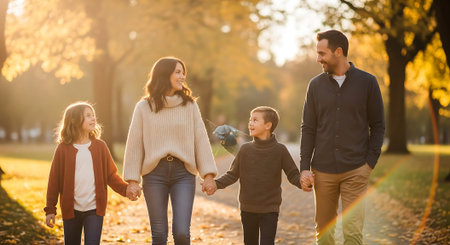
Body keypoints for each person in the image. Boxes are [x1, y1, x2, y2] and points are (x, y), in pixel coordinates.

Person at [299, 30, 385, 245]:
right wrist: (304, 166)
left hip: (356, 170)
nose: (318, 59)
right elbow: (308, 128)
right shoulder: (315, 85)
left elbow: (378, 125)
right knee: (325, 234)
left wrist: (369, 163)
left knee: (353, 233)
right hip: (323, 171)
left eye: (322, 53)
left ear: (338, 52)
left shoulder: (368, 83)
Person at [123, 56, 218, 245]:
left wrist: (208, 175)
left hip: (183, 174)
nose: (182, 76)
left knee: (182, 233)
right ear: (164, 75)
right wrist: (132, 180)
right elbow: (135, 144)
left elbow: (200, 139)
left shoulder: (189, 105)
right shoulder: (143, 107)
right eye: (178, 72)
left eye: (183, 72)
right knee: (159, 235)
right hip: (154, 174)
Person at [205, 106, 302, 245]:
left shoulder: (280, 150)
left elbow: (293, 174)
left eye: (255, 120)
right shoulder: (245, 150)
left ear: (268, 125)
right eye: (250, 120)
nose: (250, 123)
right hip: (247, 208)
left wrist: (304, 182)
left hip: (270, 208)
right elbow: (232, 174)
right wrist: (215, 184)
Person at [44, 101, 136, 245]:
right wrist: (50, 209)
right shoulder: (63, 149)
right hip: (71, 210)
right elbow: (54, 181)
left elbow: (111, 176)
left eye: (93, 115)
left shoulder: (100, 147)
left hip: (94, 209)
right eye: (88, 116)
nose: (93, 118)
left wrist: (125, 189)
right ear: (74, 120)